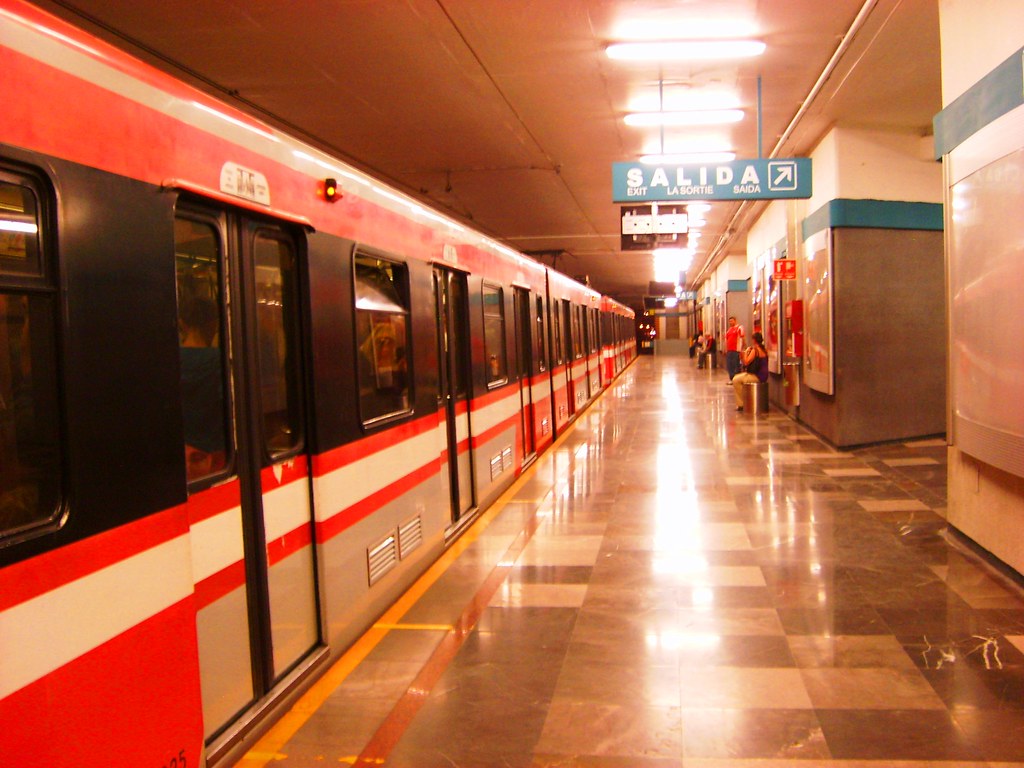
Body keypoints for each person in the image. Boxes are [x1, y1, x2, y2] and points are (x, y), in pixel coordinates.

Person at [731, 331, 768, 411]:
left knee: (735, 379)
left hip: (756, 376)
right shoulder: (764, 349)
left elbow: (746, 362)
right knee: (739, 377)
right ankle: (744, 401)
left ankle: (742, 403)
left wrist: (743, 355)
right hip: (763, 376)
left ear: (754, 340)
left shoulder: (755, 350)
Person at [724, 315, 745, 382]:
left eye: (732, 321)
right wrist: (725, 349)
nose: (730, 322)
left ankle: (736, 379)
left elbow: (742, 338)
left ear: (735, 321)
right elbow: (726, 340)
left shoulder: (739, 328)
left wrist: (743, 348)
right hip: (729, 350)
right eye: (729, 321)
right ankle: (731, 378)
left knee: (736, 364)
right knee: (729, 365)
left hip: (736, 350)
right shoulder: (729, 330)